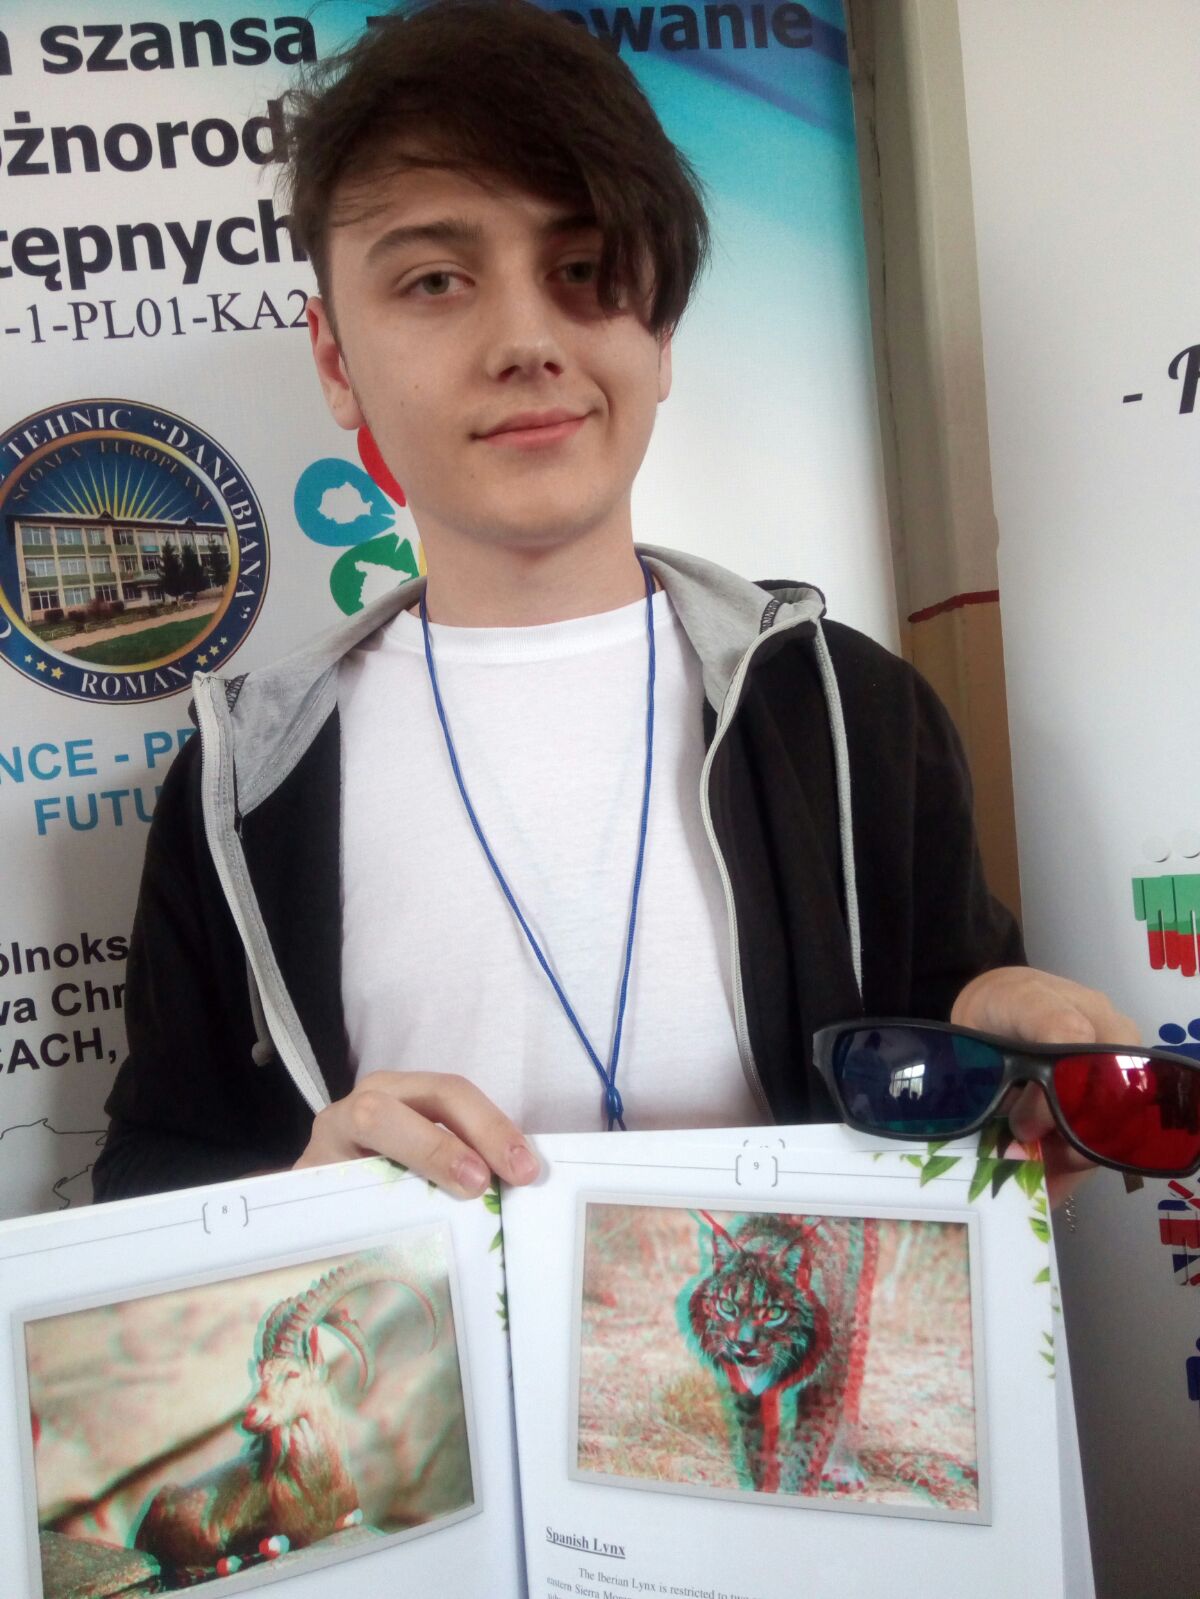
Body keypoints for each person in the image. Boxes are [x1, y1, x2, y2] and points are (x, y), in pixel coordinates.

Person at [91, 0, 1134, 1207]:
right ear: (336, 360)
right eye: (436, 280)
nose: (525, 340)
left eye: (583, 269)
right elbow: (148, 1173)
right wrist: (299, 1198)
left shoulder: (852, 712)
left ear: (663, 329)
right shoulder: (246, 780)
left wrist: (1007, 1047)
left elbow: (956, 1066)